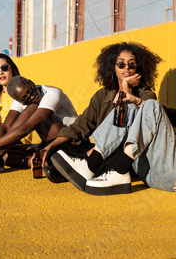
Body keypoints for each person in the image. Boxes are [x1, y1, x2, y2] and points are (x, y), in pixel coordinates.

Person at [50, 66, 176, 195]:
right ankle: (91, 165)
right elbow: (166, 114)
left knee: (151, 105)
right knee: (131, 107)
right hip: (151, 170)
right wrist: (134, 100)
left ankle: (118, 172)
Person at [36, 42, 162, 191]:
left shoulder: (145, 94)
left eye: (132, 64)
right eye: (121, 64)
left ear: (138, 69)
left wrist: (126, 85)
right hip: (100, 150)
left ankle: (82, 167)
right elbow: (80, 126)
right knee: (61, 147)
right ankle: (81, 166)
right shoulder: (102, 95)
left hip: (129, 155)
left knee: (113, 152)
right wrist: (48, 147)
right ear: (112, 68)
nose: (126, 68)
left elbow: (148, 112)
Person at [0, 75, 78, 179]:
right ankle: (34, 162)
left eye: (31, 91)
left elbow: (26, 128)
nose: (32, 96)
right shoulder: (19, 98)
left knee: (33, 107)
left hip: (71, 142)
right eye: (25, 99)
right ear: (19, 100)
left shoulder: (52, 94)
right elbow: (6, 127)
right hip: (48, 143)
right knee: (7, 154)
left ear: (31, 82)